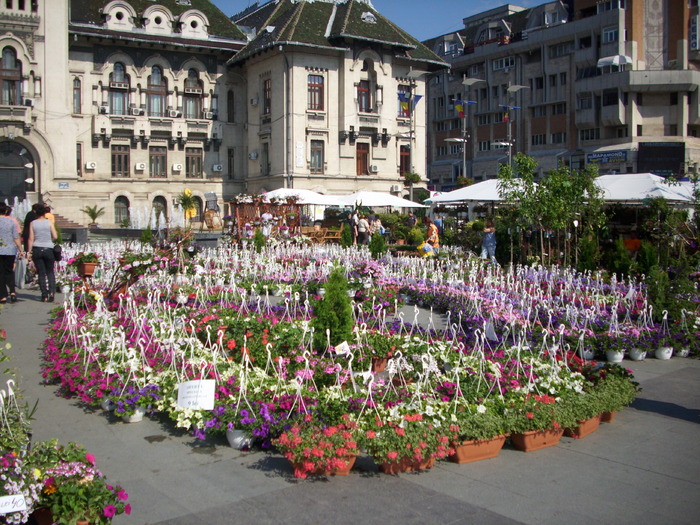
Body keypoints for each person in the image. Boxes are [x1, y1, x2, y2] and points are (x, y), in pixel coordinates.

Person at [28, 205, 58, 302]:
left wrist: (29, 252)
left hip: (37, 248)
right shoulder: (49, 222)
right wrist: (50, 240)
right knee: (50, 272)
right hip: (48, 248)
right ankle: (52, 292)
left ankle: (44, 295)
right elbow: (55, 236)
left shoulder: (33, 223)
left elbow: (31, 239)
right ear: (45, 213)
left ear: (36, 213)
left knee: (41, 273)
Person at [0, 204, 24, 303]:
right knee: (9, 271)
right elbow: (16, 237)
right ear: (5, 211)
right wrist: (20, 249)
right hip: (10, 250)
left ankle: (3, 295)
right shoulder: (11, 222)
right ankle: (13, 292)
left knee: (0, 273)